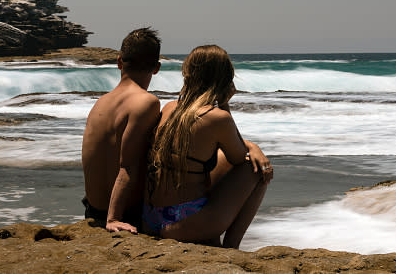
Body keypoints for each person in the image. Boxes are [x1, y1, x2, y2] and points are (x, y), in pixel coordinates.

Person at [143, 44, 272, 249]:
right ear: (225, 79)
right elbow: (239, 157)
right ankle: (231, 247)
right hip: (182, 222)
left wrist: (251, 145)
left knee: (219, 156)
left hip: (150, 217)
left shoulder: (169, 107)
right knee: (257, 168)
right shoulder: (217, 118)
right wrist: (226, 105)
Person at [82, 27, 161, 234]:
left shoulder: (100, 103)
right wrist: (114, 218)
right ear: (156, 68)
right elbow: (128, 165)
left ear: (119, 62)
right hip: (125, 214)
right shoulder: (147, 102)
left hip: (92, 210)